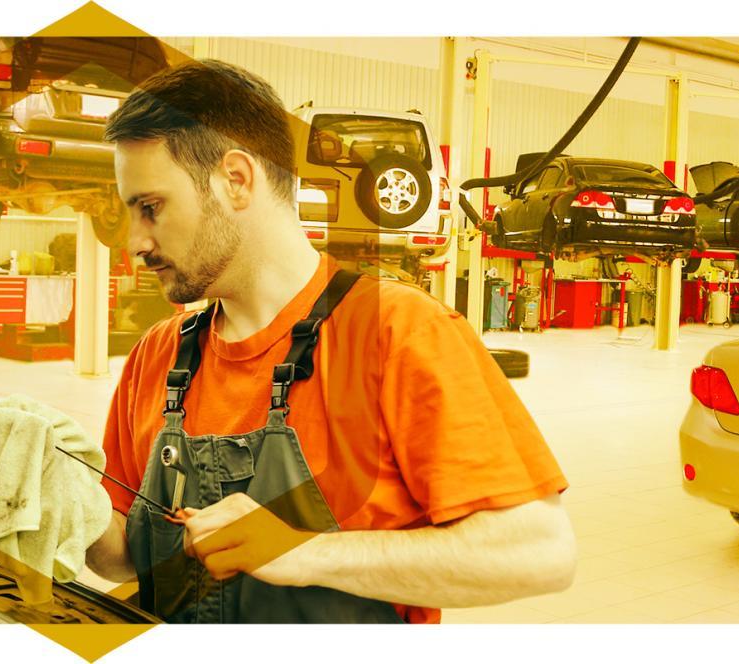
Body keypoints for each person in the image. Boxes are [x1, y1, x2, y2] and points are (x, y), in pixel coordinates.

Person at [84, 59, 575, 624]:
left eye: (150, 207)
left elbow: (541, 551)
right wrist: (67, 504)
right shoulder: (159, 353)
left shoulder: (398, 333)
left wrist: (305, 552)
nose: (136, 242)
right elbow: (123, 560)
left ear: (236, 180)